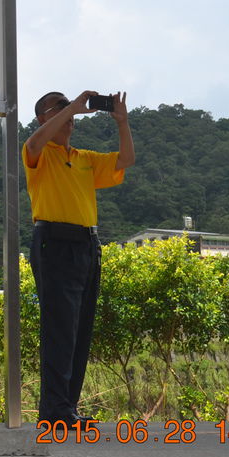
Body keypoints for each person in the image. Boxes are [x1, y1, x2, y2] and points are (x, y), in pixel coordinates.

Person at [23, 90, 135, 424]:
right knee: (60, 329)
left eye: (70, 107)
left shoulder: (84, 157)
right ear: (43, 117)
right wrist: (71, 107)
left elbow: (125, 160)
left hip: (87, 245)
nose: (70, 115)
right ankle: (55, 411)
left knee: (79, 329)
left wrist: (122, 121)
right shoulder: (40, 153)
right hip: (54, 242)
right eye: (59, 108)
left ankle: (66, 409)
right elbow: (31, 146)